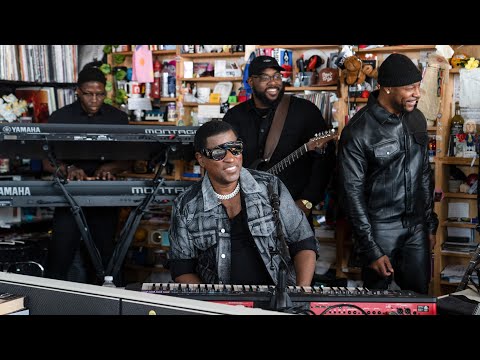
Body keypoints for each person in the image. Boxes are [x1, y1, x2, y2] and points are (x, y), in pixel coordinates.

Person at [168, 120, 318, 286]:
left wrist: (300, 293)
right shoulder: (185, 205)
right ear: (201, 159)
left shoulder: (270, 187)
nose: (230, 158)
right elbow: (182, 269)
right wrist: (214, 304)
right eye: (219, 153)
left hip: (280, 299)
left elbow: (303, 242)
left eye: (235, 148)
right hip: (220, 305)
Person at [338, 53, 439, 294]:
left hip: (416, 226)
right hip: (379, 228)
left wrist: (429, 226)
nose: (417, 93)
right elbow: (351, 194)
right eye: (409, 88)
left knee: (419, 297)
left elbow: (424, 174)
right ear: (386, 89)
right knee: (378, 300)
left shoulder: (417, 119)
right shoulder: (358, 131)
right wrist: (370, 249)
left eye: (418, 86)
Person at [43, 62, 131, 285]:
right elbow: (47, 162)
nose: (94, 100)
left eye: (100, 94)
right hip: (68, 195)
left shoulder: (118, 119)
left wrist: (110, 168)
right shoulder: (59, 117)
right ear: (78, 92)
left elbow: (129, 159)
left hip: (105, 196)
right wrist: (68, 169)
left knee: (106, 258)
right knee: (60, 254)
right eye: (88, 94)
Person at [223, 55, 335, 224]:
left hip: (293, 209)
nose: (273, 82)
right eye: (265, 78)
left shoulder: (305, 111)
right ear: (251, 81)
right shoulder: (234, 116)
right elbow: (224, 160)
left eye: (276, 76)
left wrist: (308, 200)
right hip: (246, 209)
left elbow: (325, 161)